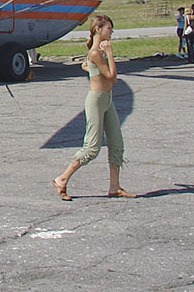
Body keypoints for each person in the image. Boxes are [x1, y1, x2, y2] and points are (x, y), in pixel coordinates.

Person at [52, 16, 135, 201]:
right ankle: (62, 179)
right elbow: (112, 77)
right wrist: (111, 54)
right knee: (91, 149)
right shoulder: (97, 53)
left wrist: (89, 67)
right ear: (98, 29)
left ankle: (114, 187)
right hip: (96, 101)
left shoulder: (95, 53)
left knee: (116, 145)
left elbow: (88, 66)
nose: (111, 32)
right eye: (109, 29)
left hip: (107, 100)